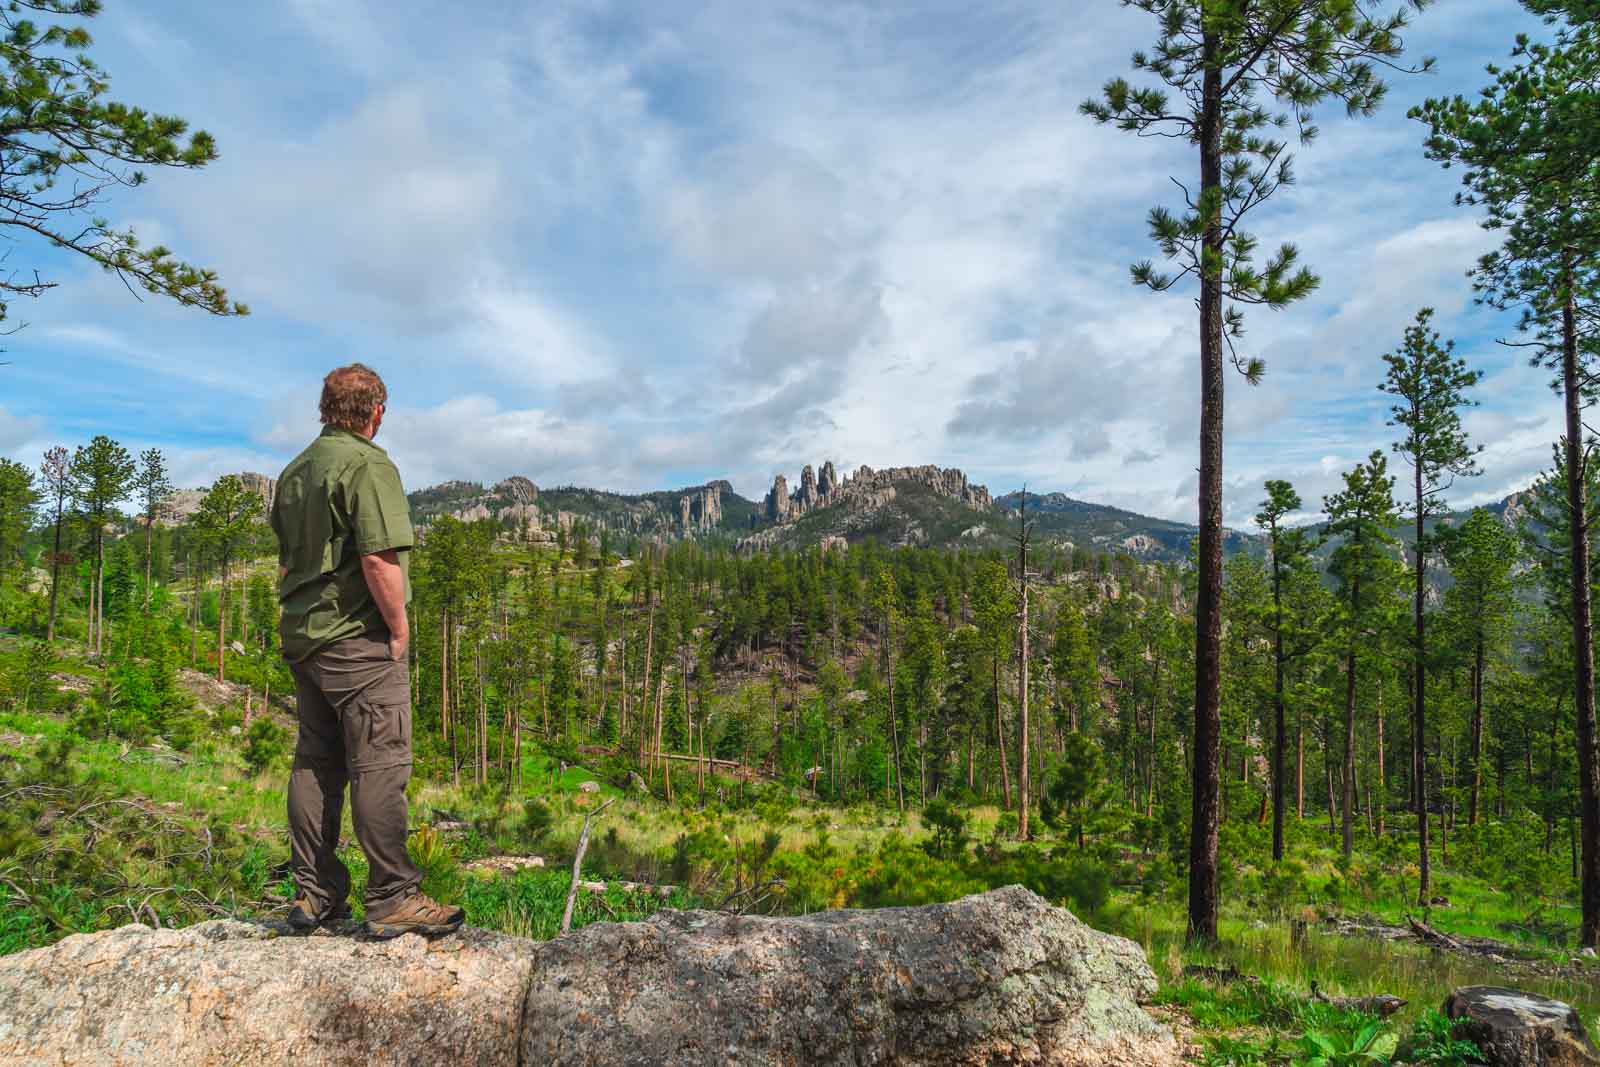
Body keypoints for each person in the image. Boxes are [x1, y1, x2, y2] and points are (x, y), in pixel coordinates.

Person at [271, 363, 464, 938]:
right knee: (380, 763)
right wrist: (399, 630)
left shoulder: (296, 470)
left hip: (306, 639)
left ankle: (315, 894)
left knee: (315, 763)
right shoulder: (368, 465)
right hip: (356, 641)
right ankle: (392, 898)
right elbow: (379, 558)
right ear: (376, 412)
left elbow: (286, 560)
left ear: (326, 408)